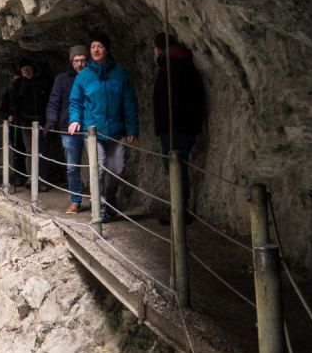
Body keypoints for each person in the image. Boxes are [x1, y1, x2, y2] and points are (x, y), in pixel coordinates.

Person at [68, 34, 138, 220]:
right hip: (93, 132)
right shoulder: (84, 76)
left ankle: (110, 198)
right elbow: (75, 101)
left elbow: (129, 102)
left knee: (117, 169)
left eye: (99, 46)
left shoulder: (119, 72)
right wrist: (75, 119)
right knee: (97, 169)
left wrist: (132, 128)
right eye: (93, 47)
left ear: (106, 49)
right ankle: (99, 208)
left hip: (117, 130)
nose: (96, 50)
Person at [153, 33, 206, 217]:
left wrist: (162, 127)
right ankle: (179, 209)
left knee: (176, 168)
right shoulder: (187, 66)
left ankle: (179, 211)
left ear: (159, 49)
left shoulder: (169, 69)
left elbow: (165, 102)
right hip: (186, 126)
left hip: (174, 127)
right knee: (179, 167)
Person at [47, 45, 88, 213]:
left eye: (82, 60)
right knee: (71, 167)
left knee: (99, 166)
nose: (79, 64)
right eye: (75, 60)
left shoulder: (92, 77)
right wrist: (51, 119)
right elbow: (54, 100)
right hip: (68, 128)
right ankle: (75, 200)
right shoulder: (62, 79)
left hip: (91, 127)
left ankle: (102, 201)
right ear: (71, 62)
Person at [0, 58, 48, 188]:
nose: (27, 71)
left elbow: (47, 99)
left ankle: (41, 180)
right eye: (24, 69)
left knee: (41, 150)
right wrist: (17, 116)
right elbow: (13, 102)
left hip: (41, 120)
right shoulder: (19, 84)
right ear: (21, 71)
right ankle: (31, 178)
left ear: (33, 68)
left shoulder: (41, 81)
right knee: (29, 150)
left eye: (29, 68)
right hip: (26, 121)